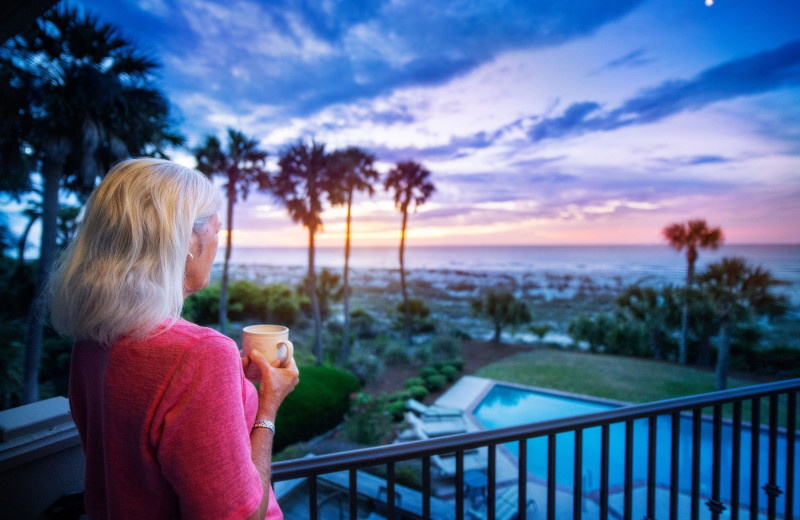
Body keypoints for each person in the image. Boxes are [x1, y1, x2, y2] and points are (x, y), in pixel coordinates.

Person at [49, 158, 299, 519]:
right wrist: (268, 405)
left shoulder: (93, 338)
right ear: (188, 241)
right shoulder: (201, 355)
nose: (218, 243)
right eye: (217, 230)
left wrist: (229, 386)